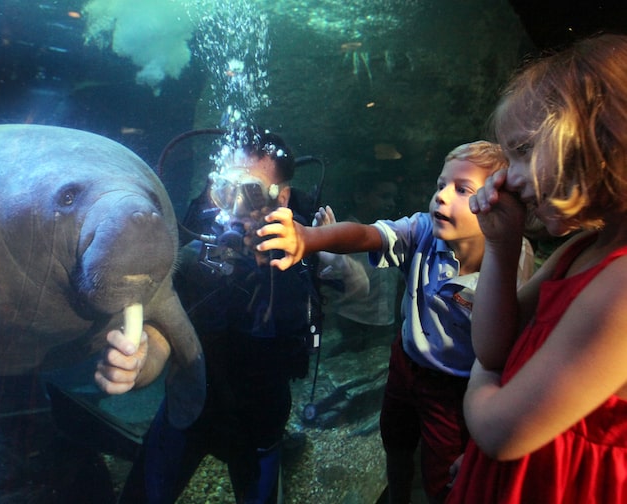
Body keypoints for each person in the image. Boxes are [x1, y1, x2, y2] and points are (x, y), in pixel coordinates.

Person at [256, 141, 533, 504]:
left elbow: (517, 348)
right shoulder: (422, 231)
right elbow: (367, 234)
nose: (442, 197)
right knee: (396, 439)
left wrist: (482, 447)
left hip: (459, 390)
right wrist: (309, 238)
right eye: (440, 186)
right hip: (406, 364)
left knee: (446, 472)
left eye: (461, 189)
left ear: (498, 203)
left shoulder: (514, 259)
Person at [445, 33, 627, 503]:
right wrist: (502, 247)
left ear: (601, 139)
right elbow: (494, 345)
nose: (508, 178)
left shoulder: (623, 280)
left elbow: (504, 430)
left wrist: (480, 383)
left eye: (523, 151)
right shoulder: (582, 248)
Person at [98, 129, 319, 503]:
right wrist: (138, 365)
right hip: (187, 412)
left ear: (281, 197)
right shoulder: (193, 256)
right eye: (223, 190)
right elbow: (166, 334)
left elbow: (359, 294)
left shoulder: (307, 253)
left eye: (248, 192)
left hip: (260, 426)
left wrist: (329, 251)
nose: (232, 207)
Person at [316, 172, 401, 355]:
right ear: (360, 196)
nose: (391, 204)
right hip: (350, 324)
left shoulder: (396, 235)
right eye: (384, 196)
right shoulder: (339, 235)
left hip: (386, 323)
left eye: (394, 198)